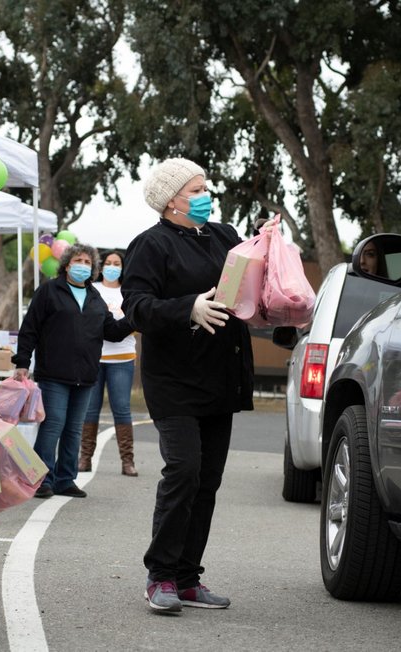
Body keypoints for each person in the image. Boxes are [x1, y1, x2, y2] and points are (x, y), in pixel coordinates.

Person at [121, 157, 262, 613]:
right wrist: (188, 309)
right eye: (195, 190)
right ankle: (159, 575)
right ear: (170, 201)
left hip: (220, 377)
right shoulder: (150, 245)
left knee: (207, 481)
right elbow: (137, 306)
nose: (205, 196)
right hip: (174, 380)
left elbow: (252, 276)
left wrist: (269, 240)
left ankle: (186, 578)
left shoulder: (224, 236)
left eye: (205, 187)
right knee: (183, 471)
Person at [12, 243, 134, 499]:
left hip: (86, 374)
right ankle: (41, 479)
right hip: (54, 372)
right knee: (53, 424)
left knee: (74, 428)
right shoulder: (49, 291)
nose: (83, 266)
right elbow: (30, 327)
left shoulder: (94, 297)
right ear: (67, 265)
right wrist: (22, 361)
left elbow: (111, 330)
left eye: (88, 263)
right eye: (78, 261)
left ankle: (65, 480)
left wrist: (135, 318)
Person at [79, 250, 138, 477]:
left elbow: (137, 319)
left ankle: (127, 461)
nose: (112, 267)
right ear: (101, 266)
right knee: (90, 409)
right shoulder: (92, 290)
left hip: (122, 358)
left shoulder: (129, 291)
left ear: (123, 268)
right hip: (95, 358)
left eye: (117, 263)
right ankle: (85, 458)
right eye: (109, 263)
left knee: (122, 408)